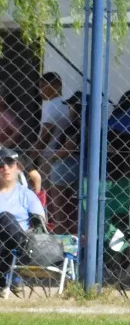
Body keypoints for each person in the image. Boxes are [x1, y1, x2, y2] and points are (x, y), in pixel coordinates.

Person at [36, 73, 77, 232]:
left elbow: (45, 134)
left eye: (43, 86)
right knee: (63, 199)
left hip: (50, 155)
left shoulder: (53, 105)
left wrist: (34, 155)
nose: (40, 90)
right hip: (60, 155)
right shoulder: (65, 105)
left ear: (56, 85)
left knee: (51, 198)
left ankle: (52, 229)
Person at [0, 146, 46, 259]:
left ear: (18, 168)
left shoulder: (27, 194)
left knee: (6, 218)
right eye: (1, 165)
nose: (6, 168)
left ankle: (23, 245)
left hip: (15, 246)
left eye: (10, 164)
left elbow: (40, 224)